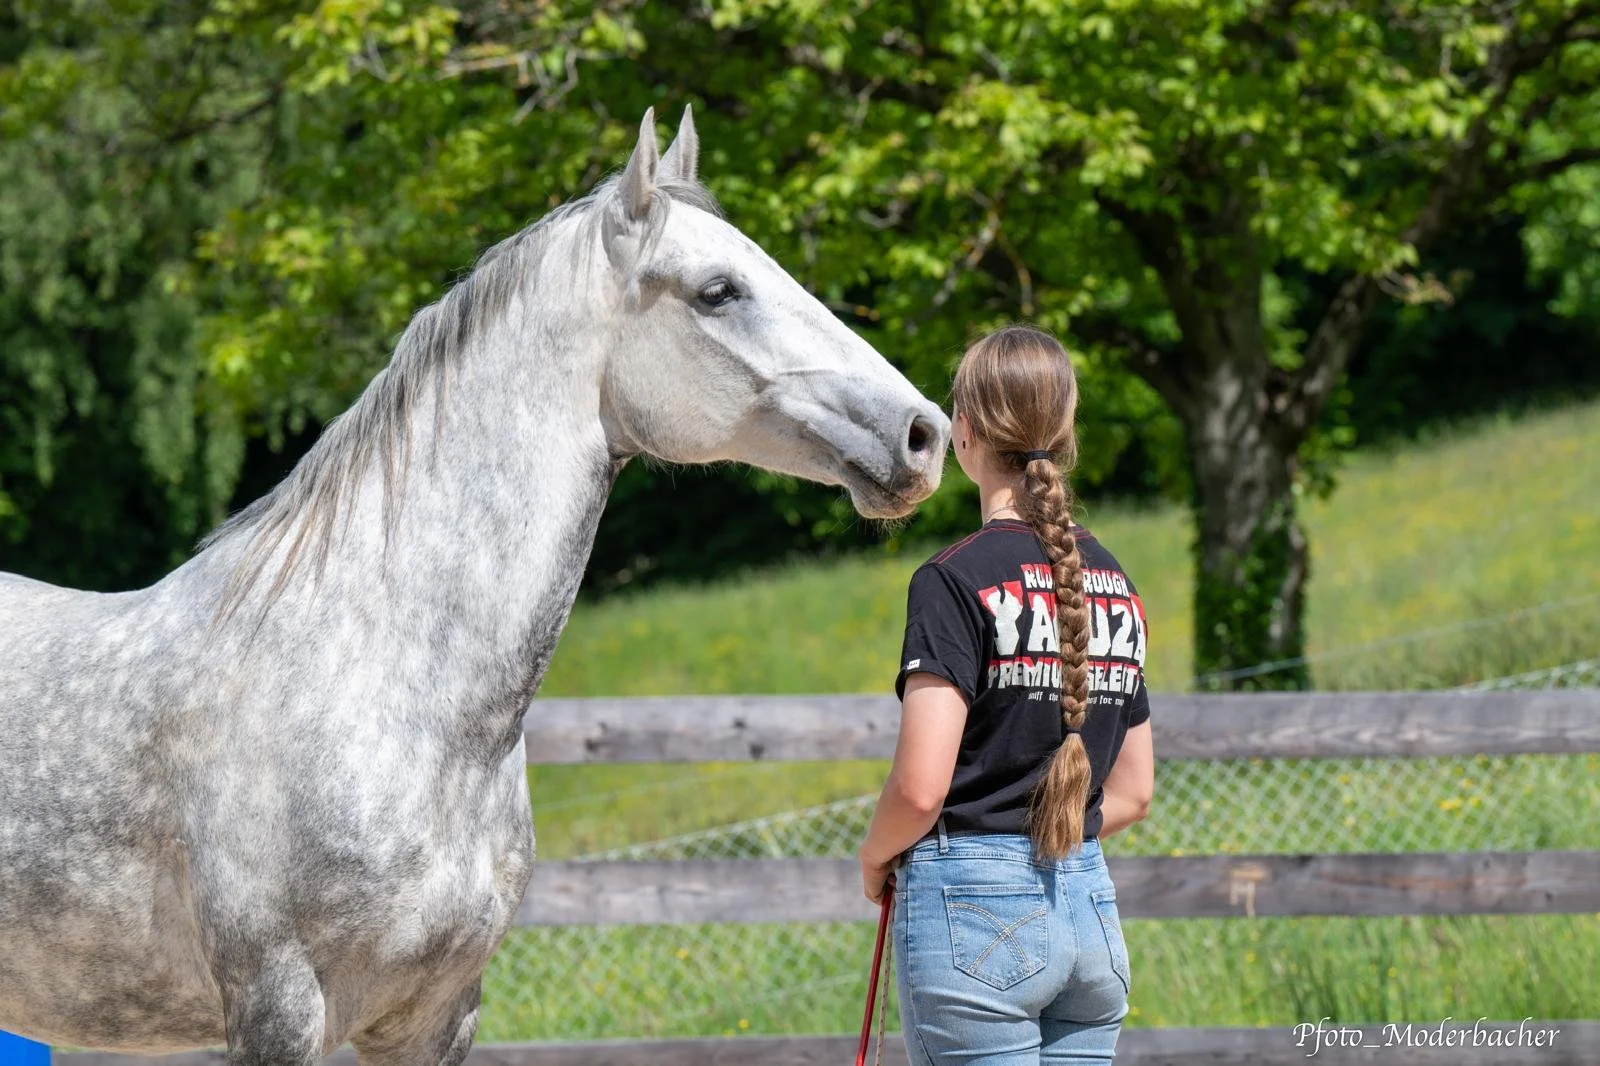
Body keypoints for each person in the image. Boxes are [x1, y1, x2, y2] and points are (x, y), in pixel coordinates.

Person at [858, 324, 1155, 1065]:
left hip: (974, 922)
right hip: (1088, 908)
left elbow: (922, 791)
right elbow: (1136, 792)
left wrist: (874, 858)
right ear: (1064, 431)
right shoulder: (1114, 582)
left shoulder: (953, 579)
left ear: (963, 433)